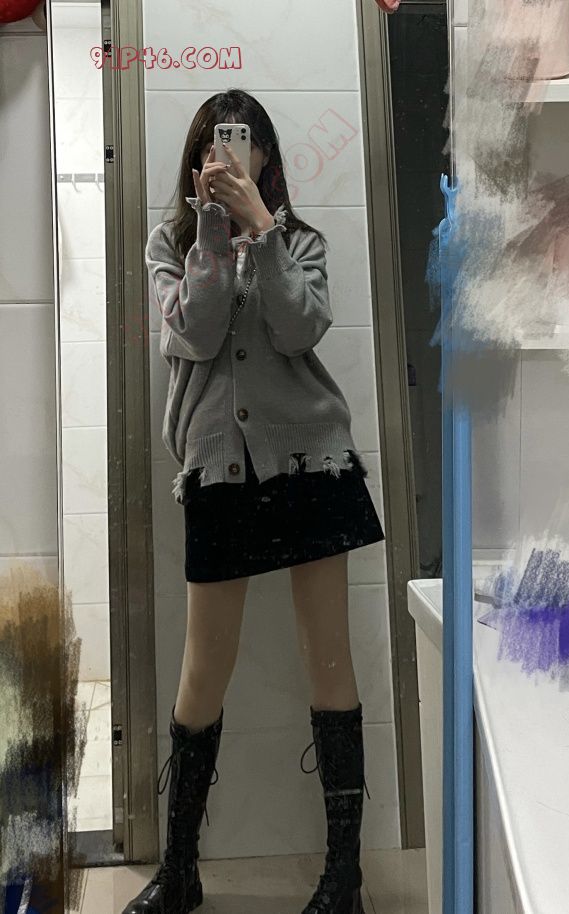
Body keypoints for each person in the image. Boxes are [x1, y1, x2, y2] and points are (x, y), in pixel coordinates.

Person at [123, 88, 385, 914]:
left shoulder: (298, 240)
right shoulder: (170, 245)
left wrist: (262, 232)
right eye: (212, 144)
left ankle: (344, 877)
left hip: (312, 459)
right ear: (195, 160)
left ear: (265, 156)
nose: (226, 155)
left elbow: (299, 328)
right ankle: (181, 872)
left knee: (329, 658)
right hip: (219, 470)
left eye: (240, 142)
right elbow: (195, 334)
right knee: (203, 668)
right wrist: (213, 232)